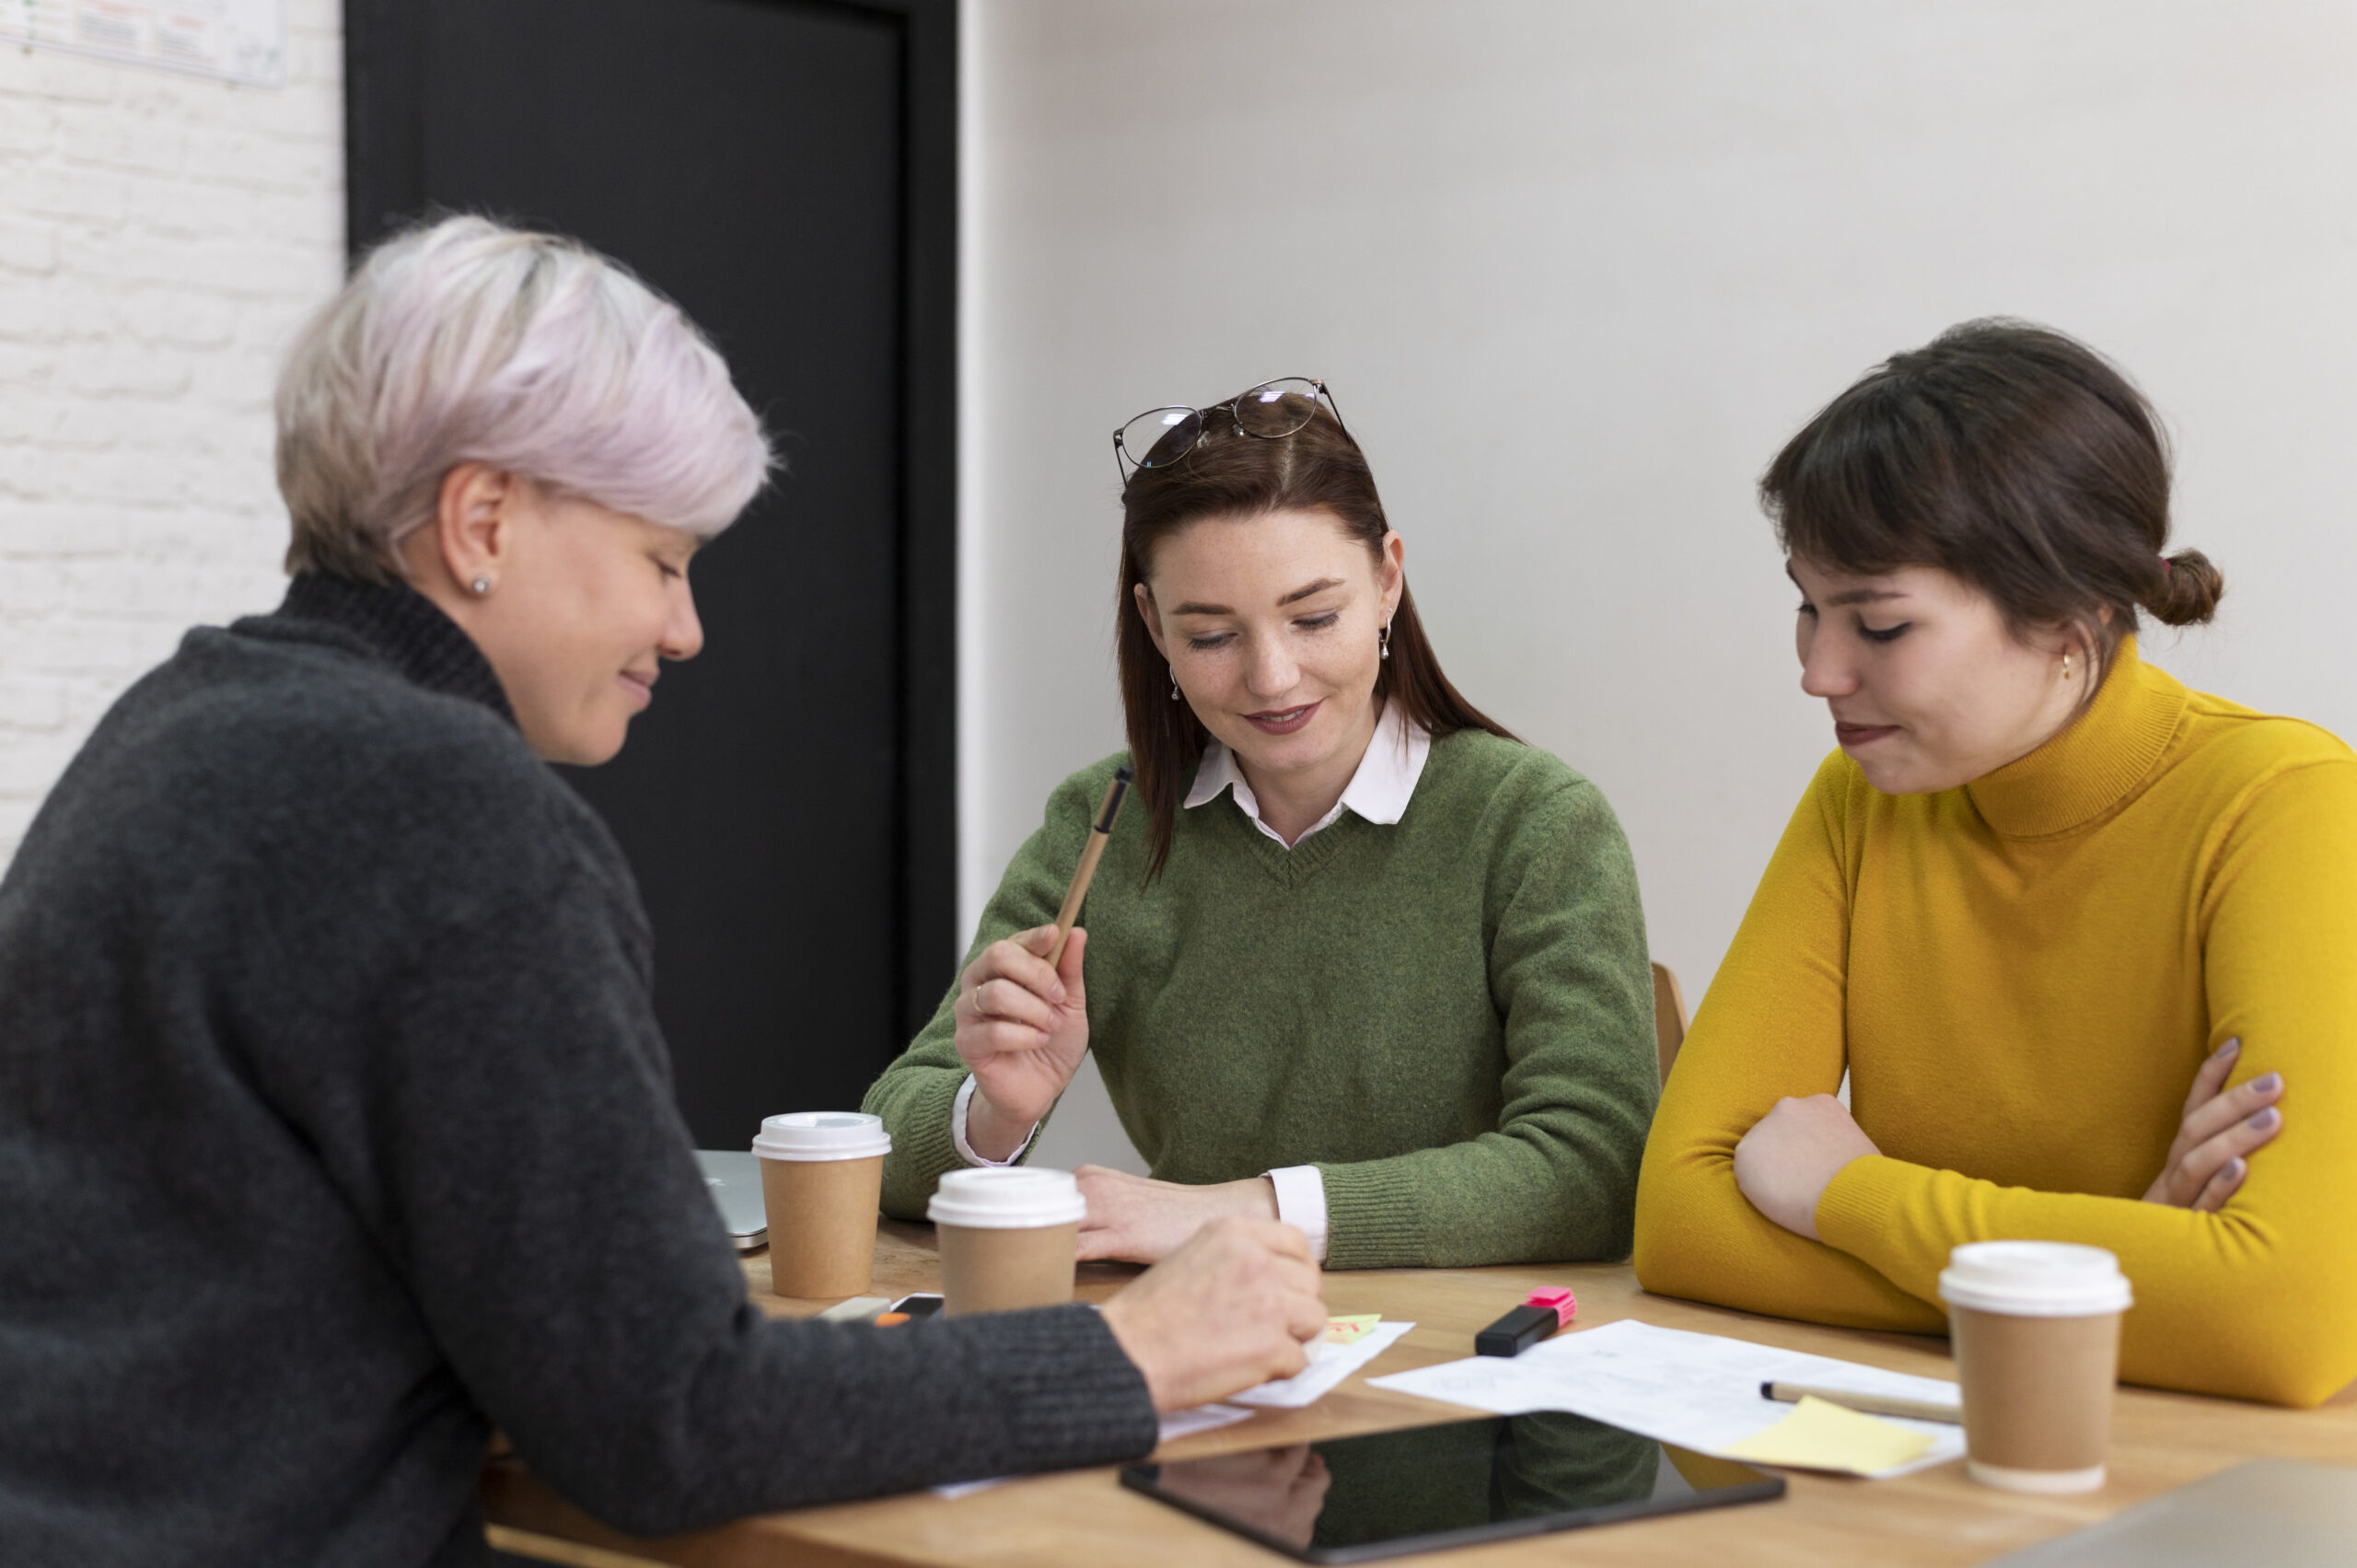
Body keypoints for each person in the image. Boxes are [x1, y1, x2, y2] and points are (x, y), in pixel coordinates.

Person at [0, 216, 1325, 1567]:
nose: (685, 629)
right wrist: (1129, 1348)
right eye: (662, 560)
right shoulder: (448, 813)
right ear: (482, 521)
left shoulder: (165, 727)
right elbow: (672, 1415)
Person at [1632, 320, 2357, 1408]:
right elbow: (1680, 1225)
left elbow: (2284, 1317)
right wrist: (2100, 1276)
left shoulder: (2281, 802)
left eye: (1878, 624)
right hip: (1958, 1450)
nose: (1818, 671)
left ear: (2069, 615)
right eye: (1806, 606)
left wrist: (1852, 1194)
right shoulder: (1861, 802)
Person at [864, 379, 1659, 1269]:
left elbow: (1595, 1171)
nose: (1273, 677)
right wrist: (994, 1110)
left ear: (1388, 578)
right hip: (1204, 1367)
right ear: (1154, 629)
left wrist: (1244, 1212)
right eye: (1211, 637)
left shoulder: (1535, 824)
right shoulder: (1106, 823)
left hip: (1455, 1374)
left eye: (1314, 617)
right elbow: (878, 1149)